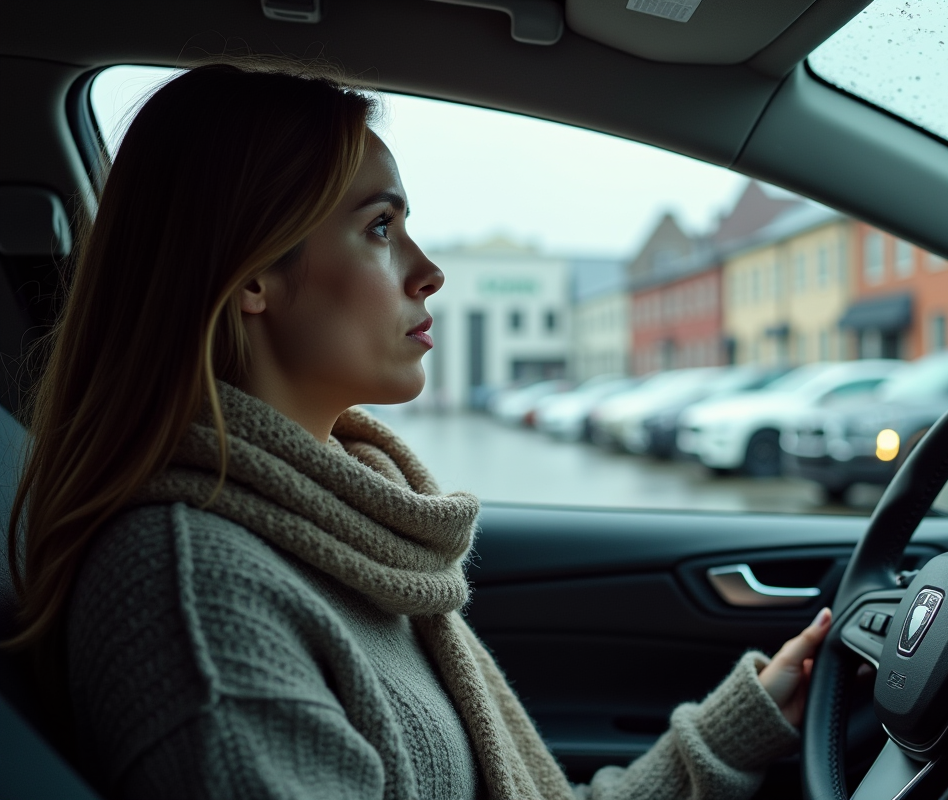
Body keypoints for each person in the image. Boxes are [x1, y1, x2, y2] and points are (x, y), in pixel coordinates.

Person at [6, 61, 832, 799]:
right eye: (379, 227)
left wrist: (743, 722)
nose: (429, 271)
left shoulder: (348, 524)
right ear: (253, 273)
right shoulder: (198, 599)